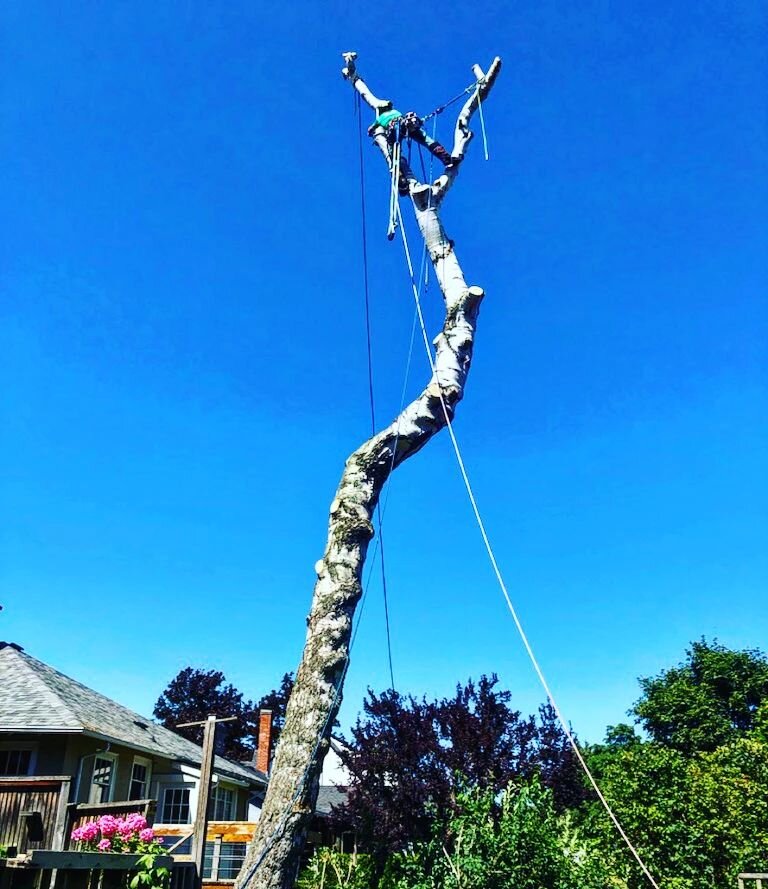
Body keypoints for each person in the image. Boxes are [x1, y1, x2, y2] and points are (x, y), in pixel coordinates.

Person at [371, 105, 459, 194]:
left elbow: (371, 128)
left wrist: (373, 130)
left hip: (394, 128)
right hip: (405, 123)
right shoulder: (396, 112)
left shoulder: (379, 118)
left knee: (393, 154)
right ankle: (446, 157)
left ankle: (401, 181)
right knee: (426, 139)